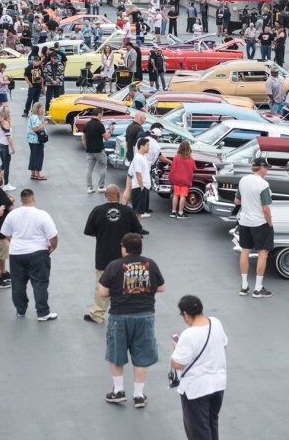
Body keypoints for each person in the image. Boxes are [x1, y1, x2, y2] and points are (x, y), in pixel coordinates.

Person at [98, 232, 166, 408]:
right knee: (142, 356)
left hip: (119, 316)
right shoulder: (150, 264)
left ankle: (118, 391)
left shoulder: (114, 266)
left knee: (117, 354)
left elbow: (103, 293)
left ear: (124, 248)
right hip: (145, 316)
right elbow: (162, 287)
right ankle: (139, 395)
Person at [170, 295, 228, 440]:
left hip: (196, 390)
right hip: (218, 385)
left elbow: (177, 363)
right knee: (211, 423)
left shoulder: (188, 335)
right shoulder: (216, 322)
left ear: (185, 314)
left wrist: (176, 348)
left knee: (198, 432)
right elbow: (223, 345)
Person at [83, 185, 143, 324]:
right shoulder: (128, 212)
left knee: (102, 286)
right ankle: (127, 313)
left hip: (103, 255)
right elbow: (138, 232)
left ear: (105, 196)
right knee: (127, 286)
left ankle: (97, 315)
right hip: (125, 257)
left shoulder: (97, 211)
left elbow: (89, 231)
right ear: (118, 194)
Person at [0, 188, 58, 321]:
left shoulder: (12, 214)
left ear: (21, 200)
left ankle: (20, 310)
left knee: (18, 282)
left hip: (16, 253)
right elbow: (53, 235)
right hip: (38, 253)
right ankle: (42, 313)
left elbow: (7, 233)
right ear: (34, 198)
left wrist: (14, 243)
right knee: (40, 283)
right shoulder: (42, 214)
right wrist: (53, 246)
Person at [235, 157, 274, 298]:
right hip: (260, 223)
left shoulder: (243, 180)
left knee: (244, 252)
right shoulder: (263, 184)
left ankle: (244, 286)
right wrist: (270, 223)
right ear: (262, 168)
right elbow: (265, 208)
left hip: (244, 222)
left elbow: (236, 201)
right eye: (267, 167)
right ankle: (258, 288)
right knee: (262, 254)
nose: (267, 170)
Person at [83, 113, 114, 193]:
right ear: (99, 114)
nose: (102, 116)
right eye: (102, 114)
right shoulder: (99, 125)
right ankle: (101, 186)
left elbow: (83, 137)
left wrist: (86, 147)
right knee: (103, 166)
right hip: (99, 150)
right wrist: (110, 130)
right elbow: (106, 137)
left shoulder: (87, 124)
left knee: (89, 168)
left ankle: (89, 187)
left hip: (89, 150)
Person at [125, 137, 152, 219]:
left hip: (144, 187)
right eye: (147, 145)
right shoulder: (138, 157)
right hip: (139, 188)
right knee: (137, 211)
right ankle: (136, 229)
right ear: (141, 146)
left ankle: (138, 229)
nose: (149, 147)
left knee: (140, 212)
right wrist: (142, 187)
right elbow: (138, 173)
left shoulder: (143, 157)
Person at [169, 140, 197, 219]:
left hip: (177, 179)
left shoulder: (176, 157)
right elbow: (194, 168)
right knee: (183, 196)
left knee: (176, 195)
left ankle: (173, 212)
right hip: (185, 180)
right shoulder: (190, 159)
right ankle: (180, 213)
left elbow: (173, 167)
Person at [0, 104, 17, 192]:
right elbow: (9, 137)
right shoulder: (5, 123)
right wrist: (13, 147)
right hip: (4, 145)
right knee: (6, 165)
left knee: (4, 163)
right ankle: (6, 184)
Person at [26, 102, 48, 181]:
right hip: (36, 140)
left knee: (33, 155)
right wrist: (44, 125)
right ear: (37, 109)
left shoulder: (33, 117)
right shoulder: (35, 117)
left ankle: (33, 173)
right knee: (38, 156)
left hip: (31, 140)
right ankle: (37, 174)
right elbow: (35, 129)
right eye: (41, 108)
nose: (43, 110)